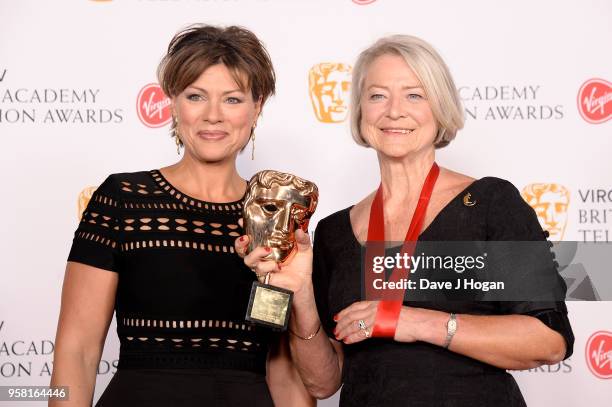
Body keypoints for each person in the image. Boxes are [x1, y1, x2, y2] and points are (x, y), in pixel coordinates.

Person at [238, 35, 574, 406]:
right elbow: (324, 382)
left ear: (440, 107)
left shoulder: (490, 203)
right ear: (361, 111)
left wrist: (410, 321)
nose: (394, 111)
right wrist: (300, 293)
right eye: (378, 95)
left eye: (415, 95)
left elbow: (550, 339)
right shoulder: (334, 232)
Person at [51, 24, 313, 407]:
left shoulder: (279, 217)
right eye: (196, 96)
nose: (213, 116)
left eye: (232, 99)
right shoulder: (123, 200)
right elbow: (77, 352)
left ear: (257, 107)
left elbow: (286, 374)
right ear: (173, 103)